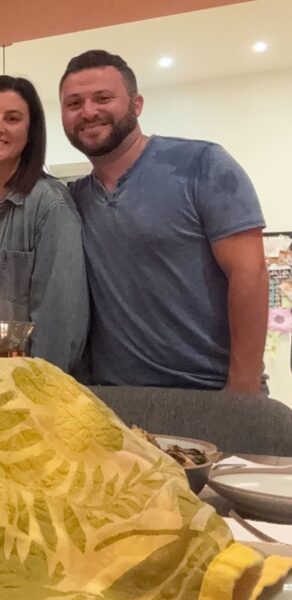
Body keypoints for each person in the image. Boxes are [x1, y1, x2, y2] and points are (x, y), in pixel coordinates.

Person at [59, 49, 268, 394]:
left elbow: (251, 273)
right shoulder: (72, 200)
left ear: (137, 104)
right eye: (74, 103)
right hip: (117, 401)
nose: (89, 112)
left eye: (103, 98)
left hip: (212, 393)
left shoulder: (203, 164)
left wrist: (242, 390)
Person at [0, 75, 88, 372]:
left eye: (12, 118)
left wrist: (36, 390)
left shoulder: (48, 204)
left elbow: (60, 323)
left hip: (21, 376)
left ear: (30, 131)